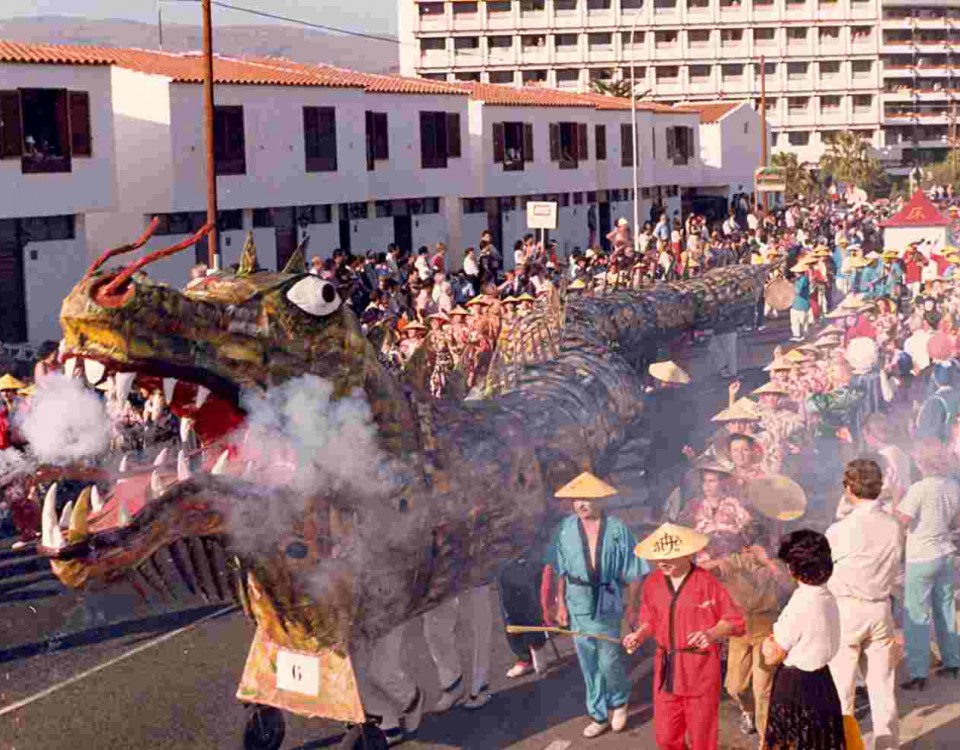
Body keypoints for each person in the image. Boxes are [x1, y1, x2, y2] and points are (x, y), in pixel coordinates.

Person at [624, 523, 744, 750]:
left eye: (669, 555)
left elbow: (733, 620)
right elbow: (649, 619)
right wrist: (639, 635)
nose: (662, 562)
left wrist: (711, 633)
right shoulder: (653, 583)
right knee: (666, 737)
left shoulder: (706, 582)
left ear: (689, 554)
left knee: (702, 738)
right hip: (667, 666)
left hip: (700, 666)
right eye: (658, 556)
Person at [547, 472, 647, 738]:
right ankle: (598, 713)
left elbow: (635, 570)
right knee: (587, 662)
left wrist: (633, 604)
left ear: (600, 501)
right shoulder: (565, 529)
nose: (582, 504)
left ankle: (619, 700)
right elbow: (561, 570)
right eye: (577, 499)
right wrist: (560, 603)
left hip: (608, 599)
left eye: (588, 499)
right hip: (576, 600)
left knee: (608, 659)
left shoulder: (617, 529)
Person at [826, 459, 903, 750]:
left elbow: (825, 572)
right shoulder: (893, 525)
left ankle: (844, 745)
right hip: (880, 607)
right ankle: (888, 747)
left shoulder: (838, 531)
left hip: (846, 610)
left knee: (841, 690)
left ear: (849, 488)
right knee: (882, 689)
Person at [761, 529, 844, 750]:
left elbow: (774, 656)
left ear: (792, 568)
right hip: (823, 683)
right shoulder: (827, 596)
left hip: (795, 688)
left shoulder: (801, 603)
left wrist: (767, 644)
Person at [896, 439, 960, 691]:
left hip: (921, 556)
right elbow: (956, 522)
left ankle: (918, 672)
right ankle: (953, 661)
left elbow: (900, 520)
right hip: (946, 553)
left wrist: (896, 500)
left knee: (916, 615)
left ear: (921, 462)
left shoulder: (919, 489)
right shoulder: (954, 486)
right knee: (945, 608)